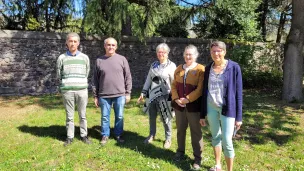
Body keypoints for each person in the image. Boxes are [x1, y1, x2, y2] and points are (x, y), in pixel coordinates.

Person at [200, 41, 243, 171]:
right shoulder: (208, 68)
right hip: (211, 107)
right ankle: (218, 165)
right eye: (213, 51)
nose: (216, 53)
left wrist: (239, 117)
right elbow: (204, 91)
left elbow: (239, 93)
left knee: (227, 140)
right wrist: (203, 114)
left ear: (224, 52)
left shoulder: (234, 67)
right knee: (215, 137)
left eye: (219, 51)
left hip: (228, 108)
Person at [92, 37, 132, 145]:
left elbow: (128, 76)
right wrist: (95, 96)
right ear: (104, 46)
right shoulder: (99, 61)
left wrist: (128, 93)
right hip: (104, 95)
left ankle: (118, 134)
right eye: (108, 45)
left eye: (113, 45)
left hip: (120, 94)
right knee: (105, 116)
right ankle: (105, 135)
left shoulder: (122, 59)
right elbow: (95, 79)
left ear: (116, 47)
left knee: (119, 116)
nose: (111, 47)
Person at [171, 45, 205, 170]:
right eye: (186, 54)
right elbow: (173, 85)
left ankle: (197, 158)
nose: (188, 56)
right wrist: (176, 99)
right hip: (179, 106)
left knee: (196, 132)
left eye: (190, 54)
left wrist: (188, 99)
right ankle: (180, 152)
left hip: (194, 107)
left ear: (196, 55)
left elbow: (200, 89)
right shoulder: (179, 68)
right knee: (180, 130)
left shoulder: (201, 69)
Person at [137, 43, 176, 149]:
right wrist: (143, 92)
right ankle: (151, 135)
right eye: (159, 52)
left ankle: (168, 138)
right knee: (152, 117)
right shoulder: (154, 64)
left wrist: (173, 97)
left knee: (166, 118)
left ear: (167, 53)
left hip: (165, 95)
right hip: (152, 94)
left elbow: (174, 82)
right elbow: (149, 79)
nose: (161, 54)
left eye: (163, 52)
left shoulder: (171, 66)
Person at [56, 32, 91, 146]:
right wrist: (64, 85)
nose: (73, 43)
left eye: (75, 41)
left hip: (82, 90)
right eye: (70, 41)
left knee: (83, 114)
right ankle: (70, 137)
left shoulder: (84, 57)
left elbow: (87, 72)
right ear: (66, 43)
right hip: (68, 90)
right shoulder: (61, 58)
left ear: (78, 43)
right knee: (69, 115)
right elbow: (58, 74)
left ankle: (84, 135)